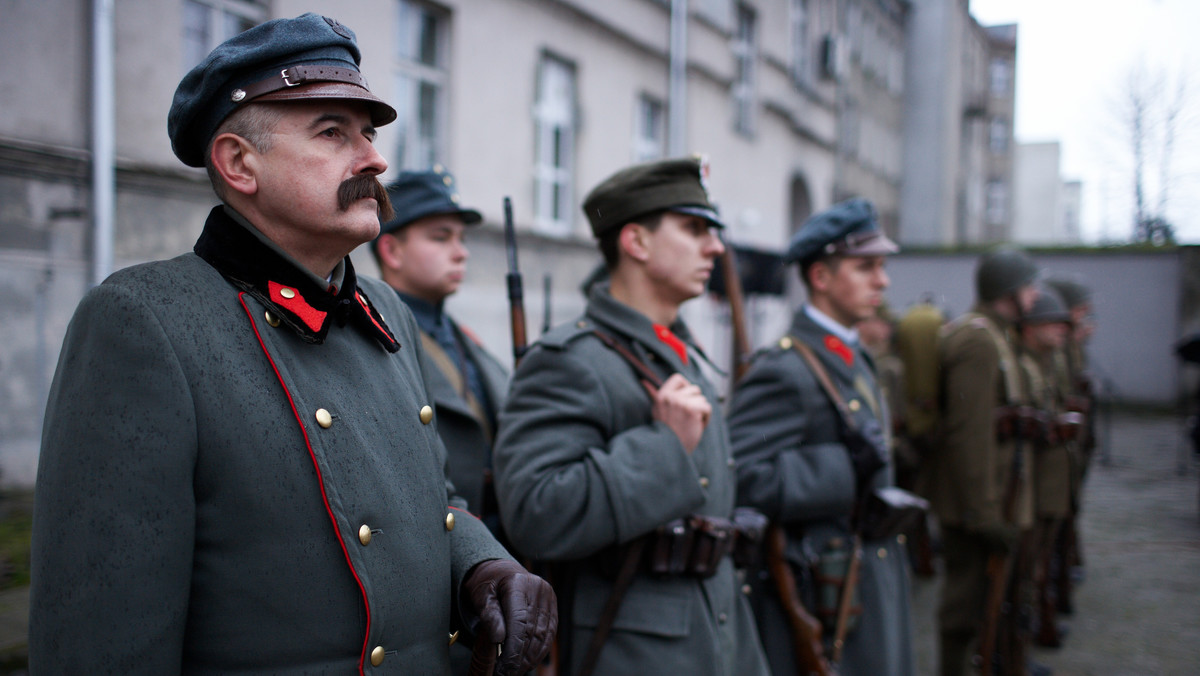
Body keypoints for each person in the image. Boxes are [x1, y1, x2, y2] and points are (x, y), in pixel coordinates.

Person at [29, 14, 554, 674]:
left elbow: (430, 499)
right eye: (333, 132)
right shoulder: (143, 321)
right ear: (239, 162)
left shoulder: (383, 308)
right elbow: (102, 638)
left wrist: (483, 562)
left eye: (369, 133)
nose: (375, 159)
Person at [492, 157, 771, 676]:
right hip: (634, 650)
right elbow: (536, 513)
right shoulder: (570, 360)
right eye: (694, 229)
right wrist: (665, 446)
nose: (715, 247)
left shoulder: (680, 352)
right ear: (636, 242)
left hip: (720, 631)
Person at [728, 198, 916, 676]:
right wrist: (840, 469)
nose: (883, 280)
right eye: (866, 267)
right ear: (821, 277)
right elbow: (739, 476)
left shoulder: (855, 357)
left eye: (882, 266)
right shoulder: (787, 370)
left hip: (868, 578)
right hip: (822, 591)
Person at [920, 248, 1039, 676]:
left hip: (989, 495)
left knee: (985, 601)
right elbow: (969, 434)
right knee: (964, 607)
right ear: (1009, 291)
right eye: (1029, 286)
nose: (1036, 294)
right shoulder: (977, 340)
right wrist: (982, 512)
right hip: (974, 501)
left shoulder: (995, 335)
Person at [373, 168, 509, 532]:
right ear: (391, 250)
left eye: (462, 238)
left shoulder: (460, 337)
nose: (461, 253)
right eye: (441, 237)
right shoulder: (371, 336)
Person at [1015, 288, 1077, 652]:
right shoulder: (1024, 366)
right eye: (1052, 323)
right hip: (1033, 489)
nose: (1062, 331)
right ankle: (1019, 648)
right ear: (1030, 326)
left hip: (1052, 485)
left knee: (1040, 567)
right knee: (1026, 573)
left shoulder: (1046, 362)